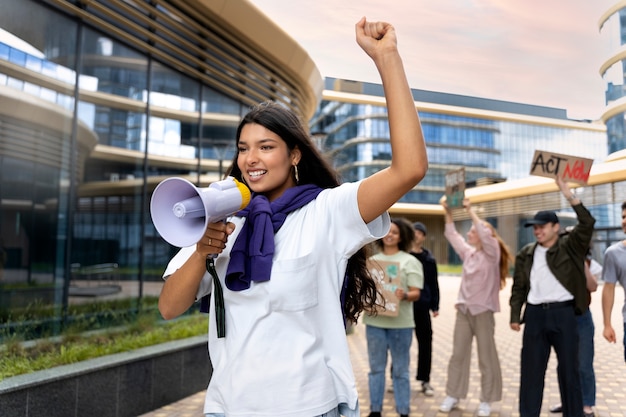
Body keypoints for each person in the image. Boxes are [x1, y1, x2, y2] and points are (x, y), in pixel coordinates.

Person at [157, 17, 428, 417]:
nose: (251, 159)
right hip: (229, 407)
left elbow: (409, 169)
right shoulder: (223, 222)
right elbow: (168, 308)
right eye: (243, 148)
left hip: (309, 407)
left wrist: (387, 58)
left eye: (266, 146)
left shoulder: (327, 211)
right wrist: (201, 254)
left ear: (294, 154)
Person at [510, 177, 595, 417]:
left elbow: (587, 222)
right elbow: (518, 288)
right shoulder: (526, 253)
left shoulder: (570, 246)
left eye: (542, 226)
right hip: (535, 316)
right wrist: (515, 315)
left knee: (570, 372)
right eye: (534, 227)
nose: (537, 230)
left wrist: (567, 193)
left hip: (564, 314)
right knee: (531, 374)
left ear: (555, 227)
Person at [439, 197, 511, 417]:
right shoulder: (468, 253)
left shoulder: (492, 255)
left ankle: (487, 400)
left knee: (486, 357)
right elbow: (452, 235)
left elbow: (487, 236)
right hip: (463, 311)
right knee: (457, 355)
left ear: (483, 235)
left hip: (483, 313)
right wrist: (448, 211)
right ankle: (453, 394)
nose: (469, 233)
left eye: (473, 230)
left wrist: (470, 211)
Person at [364, 217, 423, 417]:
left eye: (395, 232)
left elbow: (416, 293)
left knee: (400, 371)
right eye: (388, 231)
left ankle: (403, 411)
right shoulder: (371, 262)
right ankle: (375, 411)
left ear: (402, 236)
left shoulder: (411, 262)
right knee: (376, 370)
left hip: (401, 325)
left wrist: (404, 295)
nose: (390, 235)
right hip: (374, 323)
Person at [550, 238, 600, 417]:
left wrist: (580, 260)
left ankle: (586, 403)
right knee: (564, 364)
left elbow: (592, 286)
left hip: (582, 318)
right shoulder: (556, 261)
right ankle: (567, 400)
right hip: (562, 317)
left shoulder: (589, 263)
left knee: (584, 363)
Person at [410, 221, 440, 397]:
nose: (416, 235)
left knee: (425, 343)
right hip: (405, 306)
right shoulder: (403, 255)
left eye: (420, 232)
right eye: (413, 232)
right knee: (402, 343)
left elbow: (433, 283)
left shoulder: (429, 259)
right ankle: (397, 377)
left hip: (423, 306)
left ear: (424, 237)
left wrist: (435, 305)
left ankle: (425, 380)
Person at [601, 201, 626, 362]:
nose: (624, 221)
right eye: (623, 217)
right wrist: (607, 324)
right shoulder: (613, 253)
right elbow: (608, 288)